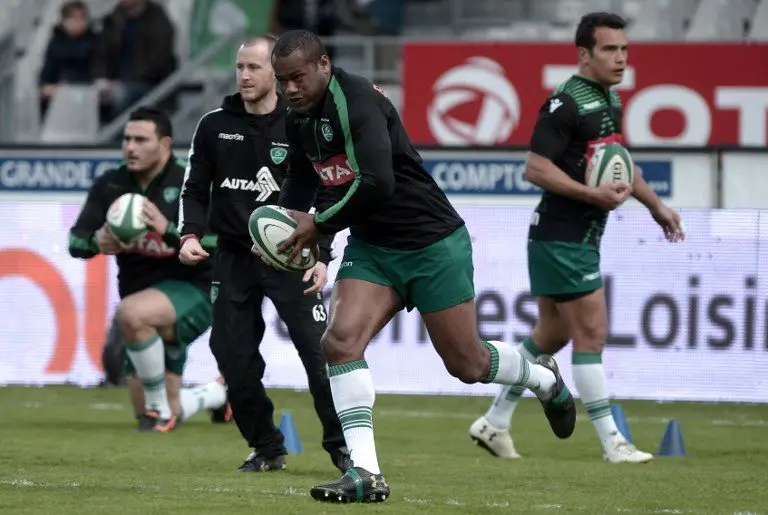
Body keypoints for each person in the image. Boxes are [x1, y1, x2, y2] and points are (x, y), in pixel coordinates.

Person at [268, 29, 577, 504]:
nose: (289, 89)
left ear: (324, 65)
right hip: (373, 248)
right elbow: (305, 182)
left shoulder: (358, 103)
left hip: (432, 243)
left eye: (297, 77)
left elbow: (378, 183)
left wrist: (319, 226)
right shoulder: (297, 119)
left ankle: (543, 378)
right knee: (339, 343)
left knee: (468, 365)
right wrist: (284, 230)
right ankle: (365, 473)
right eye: (282, 80)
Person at [469, 12, 685, 464]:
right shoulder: (565, 103)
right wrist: (593, 195)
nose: (620, 58)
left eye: (624, 49)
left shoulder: (610, 99)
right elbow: (535, 168)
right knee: (591, 333)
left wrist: (656, 205)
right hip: (563, 237)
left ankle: (494, 422)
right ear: (585, 54)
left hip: (569, 236)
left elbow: (619, 165)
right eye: (610, 49)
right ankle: (613, 443)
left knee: (552, 334)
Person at [177, 35, 351, 474]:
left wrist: (321, 254)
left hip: (292, 257)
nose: (244, 75)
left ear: (276, 72)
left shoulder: (302, 123)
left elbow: (327, 192)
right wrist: (190, 235)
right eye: (240, 67)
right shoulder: (213, 125)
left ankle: (345, 451)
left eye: (254, 67)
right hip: (234, 258)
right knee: (231, 355)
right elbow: (194, 189)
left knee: (320, 355)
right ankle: (266, 447)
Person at [68, 106, 227, 432]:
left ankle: (160, 412)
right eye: (127, 139)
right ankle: (219, 395)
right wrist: (97, 241)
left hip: (195, 292)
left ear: (165, 144)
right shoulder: (111, 184)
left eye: (141, 140)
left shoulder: (191, 181)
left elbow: (220, 242)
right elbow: (75, 241)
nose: (130, 147)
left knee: (131, 314)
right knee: (149, 408)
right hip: (142, 304)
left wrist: (169, 230)